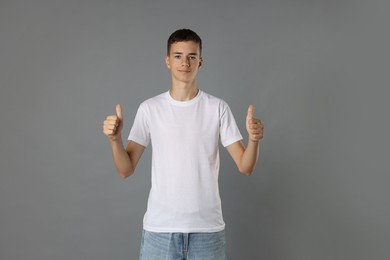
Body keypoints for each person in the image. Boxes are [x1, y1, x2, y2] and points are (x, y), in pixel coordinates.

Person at [103, 29, 264, 260]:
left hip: (207, 232)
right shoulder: (150, 109)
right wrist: (115, 139)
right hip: (160, 232)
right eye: (178, 56)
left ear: (201, 61)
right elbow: (125, 169)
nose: (185, 62)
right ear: (167, 61)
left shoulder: (217, 108)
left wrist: (254, 141)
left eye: (191, 56)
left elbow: (245, 166)